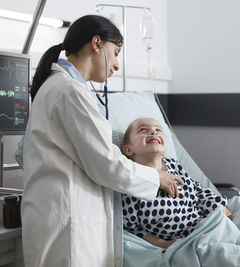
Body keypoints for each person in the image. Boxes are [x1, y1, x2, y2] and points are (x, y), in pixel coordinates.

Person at [22, 15, 183, 267]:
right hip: (68, 231)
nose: (117, 65)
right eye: (116, 52)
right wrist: (156, 177)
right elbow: (107, 163)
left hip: (65, 222)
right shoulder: (69, 92)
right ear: (96, 44)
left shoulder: (67, 89)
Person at [121, 118, 232, 249]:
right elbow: (131, 226)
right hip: (183, 243)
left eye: (158, 130)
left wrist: (221, 209)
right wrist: (164, 244)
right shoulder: (132, 180)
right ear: (128, 150)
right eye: (143, 130)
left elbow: (197, 192)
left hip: (205, 226)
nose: (153, 132)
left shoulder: (173, 165)